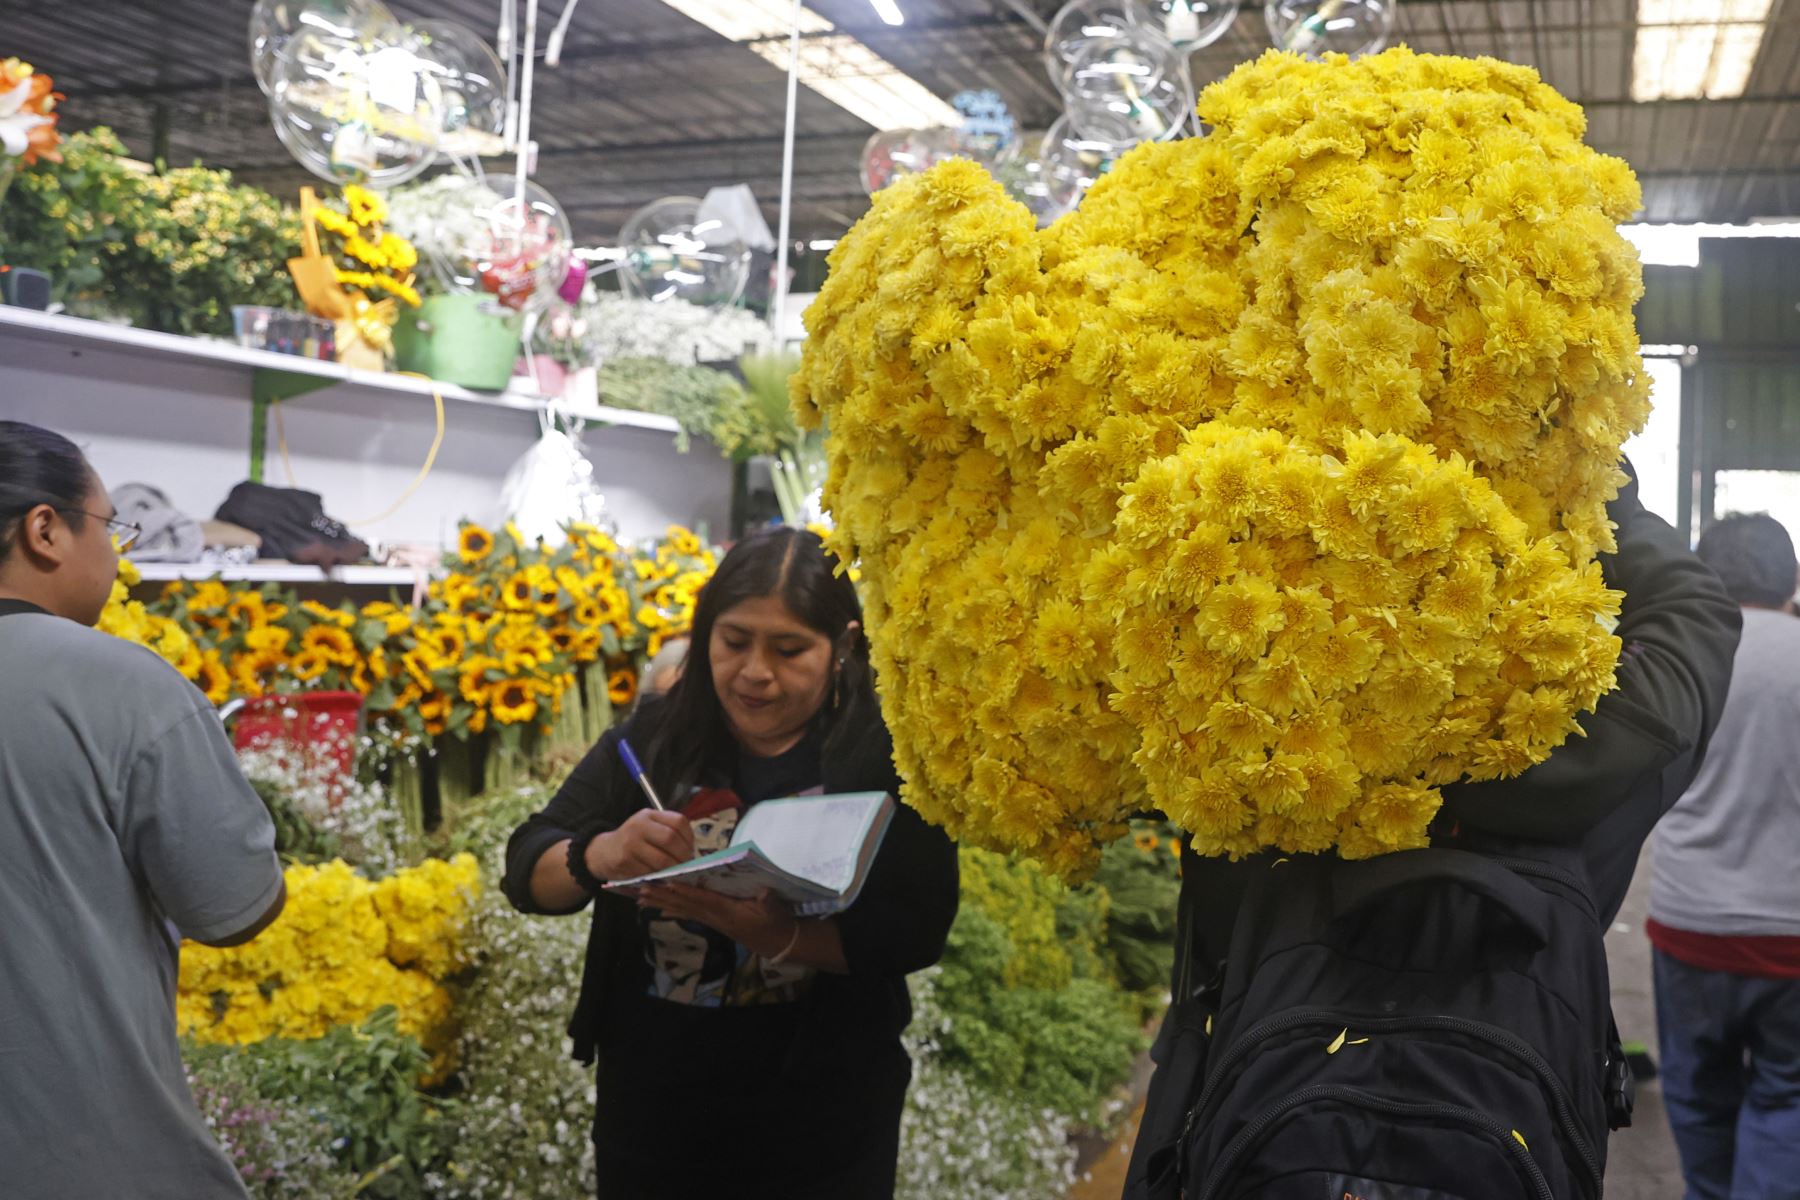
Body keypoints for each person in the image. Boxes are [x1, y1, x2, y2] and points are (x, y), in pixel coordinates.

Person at [1128, 462, 1743, 1193]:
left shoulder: (1249, 731)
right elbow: (1693, 616)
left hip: (1254, 1122)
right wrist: (1606, 494)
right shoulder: (1585, 759)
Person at [503, 526, 959, 1199]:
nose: (754, 672)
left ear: (844, 646)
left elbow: (916, 929)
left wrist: (782, 936)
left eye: (788, 649)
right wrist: (600, 853)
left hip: (822, 1126)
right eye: (734, 641)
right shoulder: (654, 739)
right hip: (655, 1118)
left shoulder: (886, 759)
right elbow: (525, 869)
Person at [0, 421, 287, 1199]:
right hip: (82, 1154)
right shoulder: (124, 685)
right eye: (110, 527)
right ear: (45, 531)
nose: (117, 553)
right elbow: (234, 907)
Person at [1646, 512, 1800, 1199]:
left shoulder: (1679, 658)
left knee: (1697, 1092)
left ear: (1704, 575)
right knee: (1788, 1097)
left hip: (1691, 924)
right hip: (1791, 936)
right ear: (1792, 579)